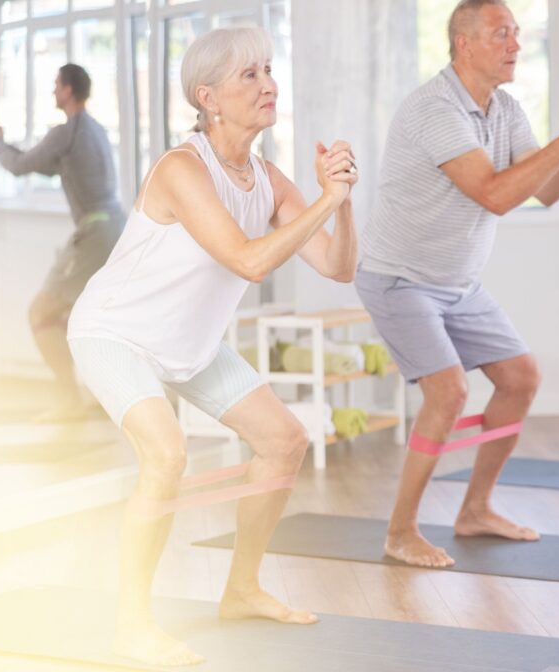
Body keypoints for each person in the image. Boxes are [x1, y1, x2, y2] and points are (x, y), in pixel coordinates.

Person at [65, 27, 358, 667]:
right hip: (115, 332)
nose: (268, 84)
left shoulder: (270, 180)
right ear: (209, 97)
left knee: (284, 440)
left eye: (269, 70)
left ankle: (243, 588)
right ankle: (130, 625)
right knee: (167, 455)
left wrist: (344, 201)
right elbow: (251, 262)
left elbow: (337, 265)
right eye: (249, 75)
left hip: (190, 344)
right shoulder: (180, 169)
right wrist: (326, 200)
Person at [355, 0, 559, 568]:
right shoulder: (434, 109)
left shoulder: (505, 108)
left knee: (520, 378)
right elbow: (495, 194)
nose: (516, 45)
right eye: (502, 34)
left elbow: (544, 191)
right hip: (399, 277)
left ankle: (475, 510)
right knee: (447, 392)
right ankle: (400, 533)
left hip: (458, 281)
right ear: (463, 43)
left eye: (517, 34)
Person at [0, 64, 125, 421]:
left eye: (55, 85)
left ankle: (70, 399)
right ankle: (98, 392)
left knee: (40, 312)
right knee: (80, 318)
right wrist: (6, 148)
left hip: (95, 233)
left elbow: (19, 167)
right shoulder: (92, 129)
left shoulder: (68, 130)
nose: (52, 92)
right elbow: (46, 166)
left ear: (67, 90)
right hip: (113, 229)